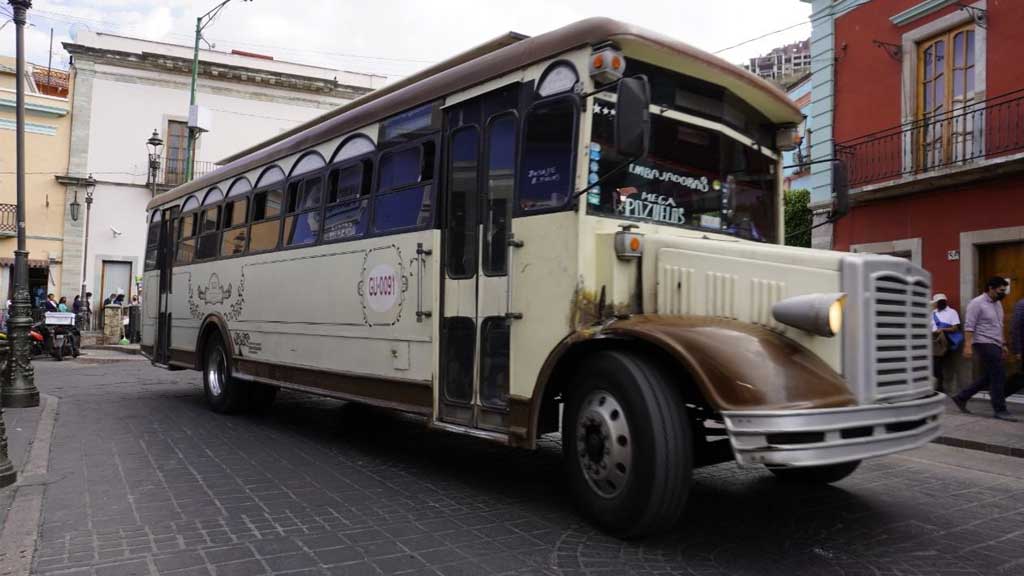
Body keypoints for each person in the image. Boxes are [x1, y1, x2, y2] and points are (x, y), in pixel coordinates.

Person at [952, 277, 1021, 421]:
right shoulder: (976, 303)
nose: (1004, 293)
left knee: (991, 375)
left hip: (995, 343)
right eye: (1001, 290)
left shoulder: (998, 304)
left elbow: (998, 326)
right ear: (991, 288)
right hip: (982, 342)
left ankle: (961, 397)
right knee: (999, 375)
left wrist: (1002, 344)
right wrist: (967, 346)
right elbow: (969, 326)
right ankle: (1000, 409)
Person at [930, 293, 961, 393]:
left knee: (937, 362)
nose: (933, 305)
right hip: (934, 340)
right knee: (936, 363)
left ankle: (939, 386)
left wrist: (942, 329)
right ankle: (939, 385)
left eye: (934, 303)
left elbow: (955, 328)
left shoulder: (952, 312)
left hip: (946, 341)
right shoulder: (932, 313)